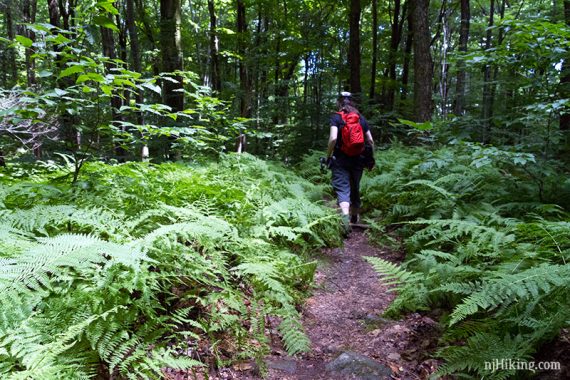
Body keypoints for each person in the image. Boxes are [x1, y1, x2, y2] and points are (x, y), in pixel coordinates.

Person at [327, 92, 374, 226]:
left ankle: (345, 218)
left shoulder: (336, 117)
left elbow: (333, 138)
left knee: (343, 188)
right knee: (355, 186)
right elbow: (370, 140)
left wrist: (328, 155)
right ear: (352, 103)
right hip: (358, 158)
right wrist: (371, 159)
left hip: (340, 159)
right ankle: (354, 215)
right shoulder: (361, 118)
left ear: (339, 103)